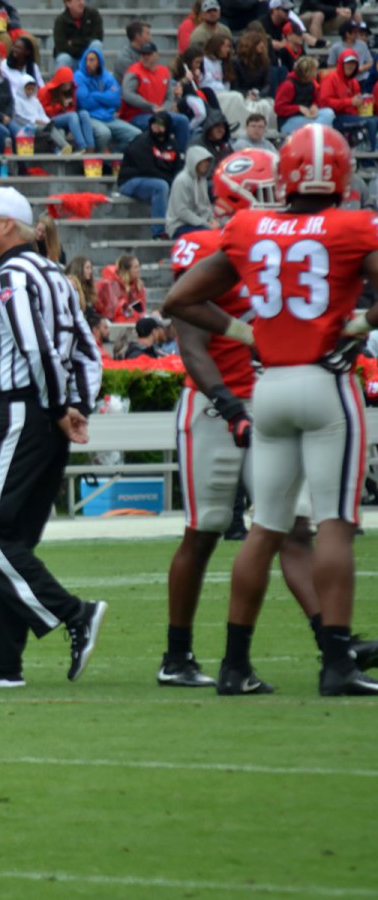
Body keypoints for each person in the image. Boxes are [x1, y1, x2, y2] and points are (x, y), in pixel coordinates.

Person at [162, 124, 378, 696]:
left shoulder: (248, 227)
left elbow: (179, 298)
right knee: (333, 522)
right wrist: (354, 325)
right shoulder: (356, 225)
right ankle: (337, 661)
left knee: (266, 530)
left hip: (271, 386)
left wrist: (248, 334)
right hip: (325, 382)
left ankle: (234, 666)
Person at [0, 187, 106, 688]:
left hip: (23, 411)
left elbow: (36, 348)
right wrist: (79, 405)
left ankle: (73, 613)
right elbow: (88, 351)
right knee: (11, 539)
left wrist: (61, 407)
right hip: (46, 415)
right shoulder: (56, 277)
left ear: (9, 226)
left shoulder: (12, 277)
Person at [116, 113, 181, 240]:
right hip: (130, 181)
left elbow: (177, 167)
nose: (156, 127)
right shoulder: (142, 141)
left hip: (157, 180)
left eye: (161, 124)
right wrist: (170, 181)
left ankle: (178, 229)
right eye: (154, 123)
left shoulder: (172, 144)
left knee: (177, 185)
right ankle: (159, 232)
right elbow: (147, 169)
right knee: (161, 186)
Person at [119, 42, 192, 151]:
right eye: (143, 54)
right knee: (160, 123)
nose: (145, 57)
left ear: (156, 54)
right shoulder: (134, 71)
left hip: (159, 113)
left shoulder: (164, 72)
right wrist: (150, 106)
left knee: (182, 120)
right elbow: (127, 94)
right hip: (137, 115)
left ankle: (180, 156)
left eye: (149, 54)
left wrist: (163, 109)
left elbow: (170, 98)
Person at [166, 144, 215, 238]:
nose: (207, 163)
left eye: (208, 161)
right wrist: (205, 223)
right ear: (195, 161)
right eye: (204, 160)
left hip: (198, 223)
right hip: (179, 226)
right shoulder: (182, 180)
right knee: (209, 234)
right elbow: (182, 211)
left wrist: (211, 219)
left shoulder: (202, 180)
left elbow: (205, 205)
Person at [52, 0, 103, 71]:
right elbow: (61, 47)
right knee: (63, 59)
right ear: (68, 3)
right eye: (77, 0)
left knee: (96, 44)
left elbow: (98, 37)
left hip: (88, 56)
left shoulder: (93, 15)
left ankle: (96, 78)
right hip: (72, 59)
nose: (81, 2)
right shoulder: (60, 21)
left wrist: (73, 42)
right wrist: (84, 44)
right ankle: (61, 81)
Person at [96, 253, 147, 321]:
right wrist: (123, 307)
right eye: (135, 267)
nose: (139, 270)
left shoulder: (138, 286)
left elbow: (141, 311)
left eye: (138, 266)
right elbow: (108, 311)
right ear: (127, 270)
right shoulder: (110, 285)